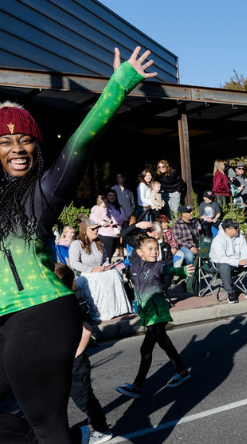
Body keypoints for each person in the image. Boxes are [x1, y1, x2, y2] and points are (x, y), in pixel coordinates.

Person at [0, 45, 155, 444]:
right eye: (4, 140)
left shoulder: (41, 192)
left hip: (39, 313)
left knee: (45, 423)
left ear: (37, 146)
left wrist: (119, 84)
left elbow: (82, 139)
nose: (16, 148)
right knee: (44, 433)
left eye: (24, 140)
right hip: (5, 322)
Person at [115, 237, 193, 399]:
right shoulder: (134, 267)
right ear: (139, 252)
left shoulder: (159, 266)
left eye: (156, 248)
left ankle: (137, 386)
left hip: (158, 313)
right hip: (147, 313)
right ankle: (182, 371)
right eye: (150, 249)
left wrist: (182, 271)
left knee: (150, 347)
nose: (154, 251)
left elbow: (169, 270)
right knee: (163, 344)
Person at [54, 264, 113, 444]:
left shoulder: (69, 301)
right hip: (64, 361)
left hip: (75, 362)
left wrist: (75, 355)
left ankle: (102, 429)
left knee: (83, 398)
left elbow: (86, 330)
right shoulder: (61, 300)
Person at [69, 219, 132, 321]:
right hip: (85, 274)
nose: (96, 231)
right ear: (85, 231)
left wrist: (106, 266)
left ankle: (119, 310)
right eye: (92, 229)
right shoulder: (76, 244)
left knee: (114, 274)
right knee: (99, 279)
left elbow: (105, 259)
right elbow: (74, 263)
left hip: (100, 271)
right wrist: (92, 270)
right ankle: (102, 313)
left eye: (96, 229)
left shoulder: (99, 242)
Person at [209, 218, 247, 304]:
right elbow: (221, 259)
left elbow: (245, 252)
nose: (237, 229)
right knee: (224, 266)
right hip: (218, 263)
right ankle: (230, 292)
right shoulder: (218, 240)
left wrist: (246, 260)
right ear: (227, 230)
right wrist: (238, 262)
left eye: (237, 227)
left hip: (237, 261)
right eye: (235, 228)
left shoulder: (240, 237)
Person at [90, 192, 125, 261]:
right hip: (105, 234)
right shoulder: (101, 206)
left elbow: (122, 217)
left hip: (116, 234)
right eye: (110, 195)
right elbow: (92, 217)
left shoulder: (119, 207)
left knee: (111, 255)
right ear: (107, 196)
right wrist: (102, 223)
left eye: (114, 195)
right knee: (106, 256)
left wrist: (113, 222)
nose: (112, 197)